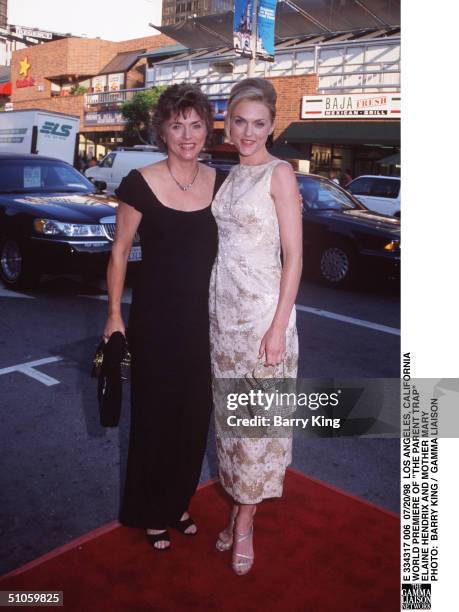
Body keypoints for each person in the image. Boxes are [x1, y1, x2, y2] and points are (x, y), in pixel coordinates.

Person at [102, 83, 227, 551]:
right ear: (163, 131)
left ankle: (177, 502)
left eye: (195, 125)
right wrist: (114, 316)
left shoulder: (222, 183)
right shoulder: (139, 182)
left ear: (206, 129)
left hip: (205, 323)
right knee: (155, 417)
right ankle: (149, 509)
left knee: (194, 418)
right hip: (154, 321)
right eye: (177, 125)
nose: (187, 135)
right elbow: (118, 254)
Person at [209, 78, 302, 575]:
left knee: (255, 426)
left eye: (258, 123)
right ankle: (237, 509)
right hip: (222, 318)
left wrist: (277, 325)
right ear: (229, 122)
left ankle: (243, 525)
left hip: (263, 317)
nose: (248, 132)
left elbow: (295, 255)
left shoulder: (280, 173)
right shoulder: (229, 173)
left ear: (272, 125)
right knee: (232, 426)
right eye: (240, 121)